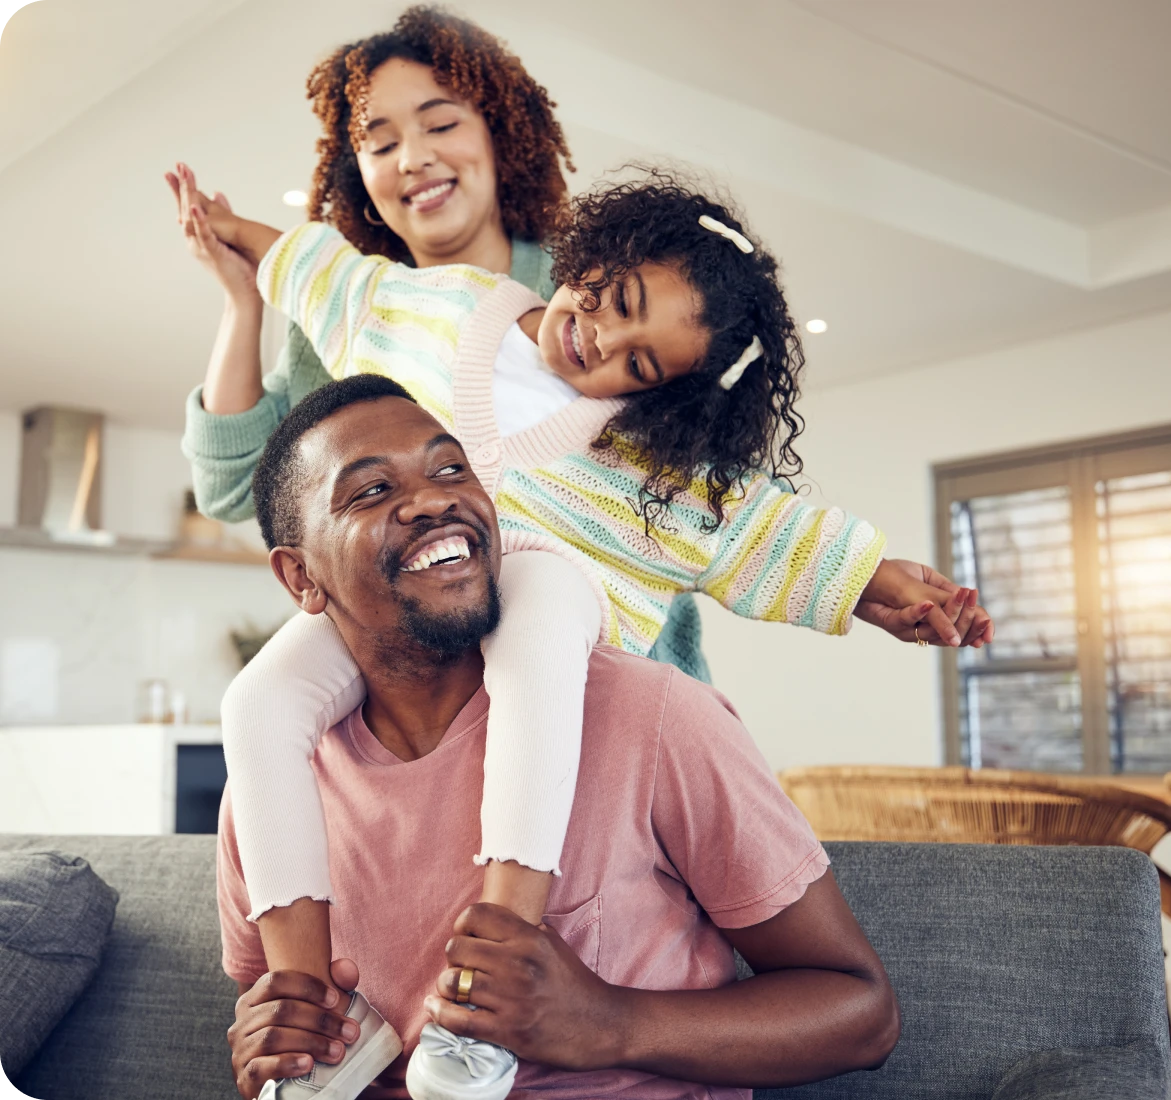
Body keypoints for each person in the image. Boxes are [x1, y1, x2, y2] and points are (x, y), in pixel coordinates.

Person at [180, 165, 988, 1100]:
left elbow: (762, 529)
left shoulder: (648, 482)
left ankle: (499, 955)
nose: (603, 340)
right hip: (406, 611)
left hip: (552, 588)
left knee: (539, 634)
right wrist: (236, 233)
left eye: (638, 363)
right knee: (257, 698)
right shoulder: (452, 309)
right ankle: (319, 1002)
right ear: (598, 254)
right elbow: (343, 281)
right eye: (618, 301)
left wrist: (874, 581)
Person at [219, 375, 902, 1100]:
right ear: (301, 578)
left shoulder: (656, 718)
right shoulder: (274, 787)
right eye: (371, 491)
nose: (433, 498)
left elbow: (862, 1015)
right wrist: (269, 1040)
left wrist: (610, 1023)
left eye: (451, 469)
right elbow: (268, 1003)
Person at [173, 6, 711, 680]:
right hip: (430, 697)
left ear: (499, 135)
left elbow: (709, 479)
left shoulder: (587, 294)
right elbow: (231, 490)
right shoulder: (344, 322)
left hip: (616, 674)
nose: (415, 157)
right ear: (360, 177)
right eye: (380, 141)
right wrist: (243, 301)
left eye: (441, 123)